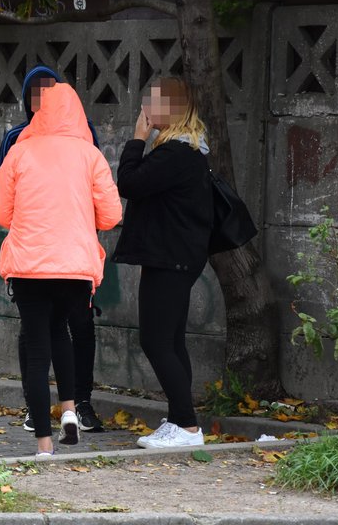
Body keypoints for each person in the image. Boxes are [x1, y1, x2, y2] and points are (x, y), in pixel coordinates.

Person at [0, 82, 121, 457]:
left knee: (36, 351)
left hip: (30, 266)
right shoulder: (90, 155)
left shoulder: (19, 152)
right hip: (76, 268)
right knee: (63, 334)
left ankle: (44, 445)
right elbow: (112, 216)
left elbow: (0, 213)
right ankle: (69, 410)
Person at [111, 76, 213, 449]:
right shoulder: (189, 151)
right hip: (176, 257)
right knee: (171, 341)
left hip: (170, 258)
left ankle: (186, 426)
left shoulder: (177, 154)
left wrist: (137, 137)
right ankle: (181, 422)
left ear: (170, 110)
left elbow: (129, 183)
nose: (145, 108)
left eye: (151, 103)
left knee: (155, 341)